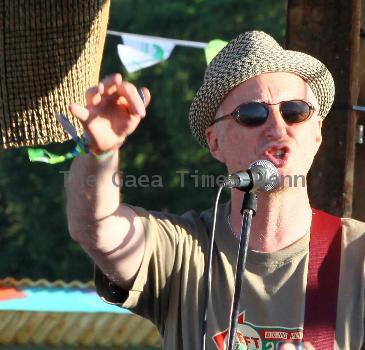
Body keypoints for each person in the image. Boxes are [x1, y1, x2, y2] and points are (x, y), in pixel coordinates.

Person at [66, 31, 365, 350]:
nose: (278, 128)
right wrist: (99, 153)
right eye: (252, 114)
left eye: (295, 111)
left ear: (317, 132)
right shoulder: (185, 250)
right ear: (215, 142)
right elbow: (95, 227)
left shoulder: (357, 256)